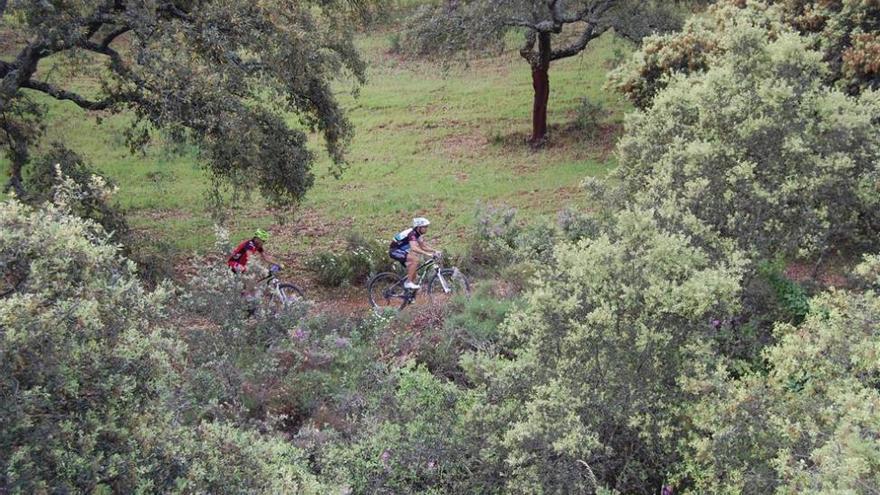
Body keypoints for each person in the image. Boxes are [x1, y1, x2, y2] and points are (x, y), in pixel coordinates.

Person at [389, 217, 441, 289]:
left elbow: (423, 246)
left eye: (427, 227)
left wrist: (435, 251)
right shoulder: (412, 233)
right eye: (424, 227)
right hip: (394, 251)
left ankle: (408, 295)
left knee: (414, 275)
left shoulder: (418, 234)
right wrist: (428, 254)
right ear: (418, 227)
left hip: (402, 251)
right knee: (415, 259)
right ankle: (408, 283)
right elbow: (414, 248)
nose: (426, 229)